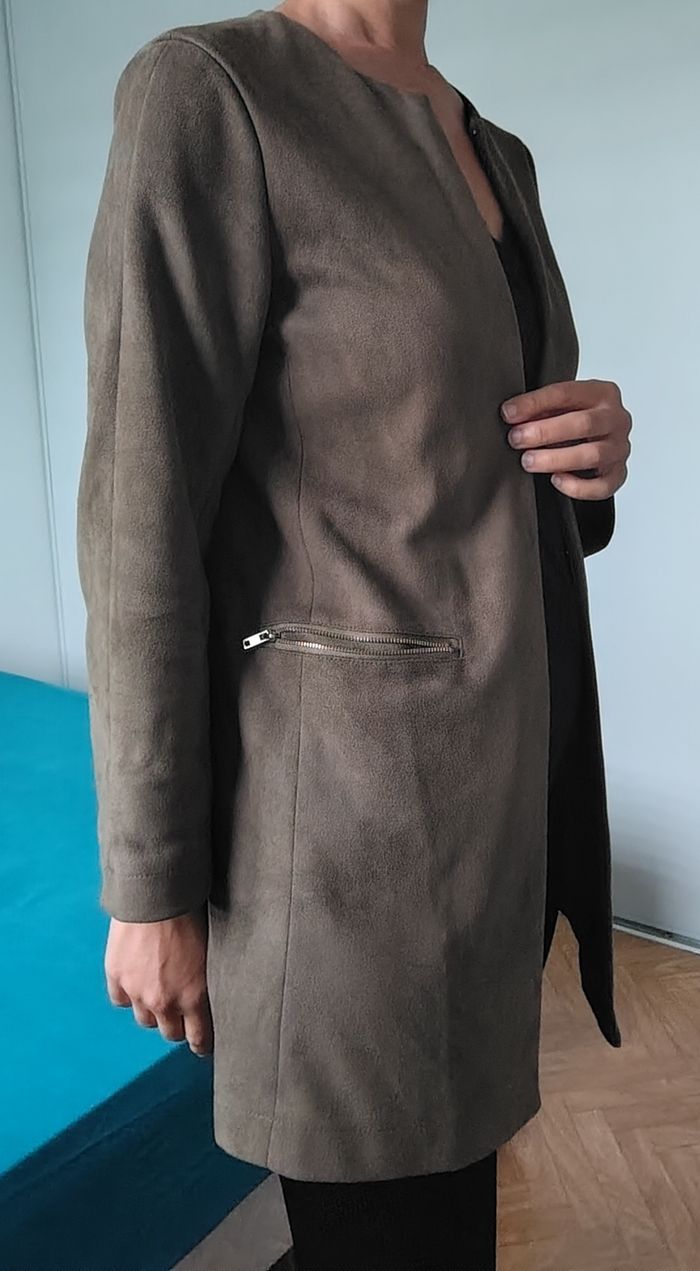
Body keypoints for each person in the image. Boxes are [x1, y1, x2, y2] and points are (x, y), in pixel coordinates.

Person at [76, 2, 632, 1267]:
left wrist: (587, 465)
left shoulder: (493, 147)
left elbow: (455, 459)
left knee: (447, 1220)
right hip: (348, 839)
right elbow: (140, 515)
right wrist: (150, 884)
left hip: (505, 807)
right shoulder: (211, 92)